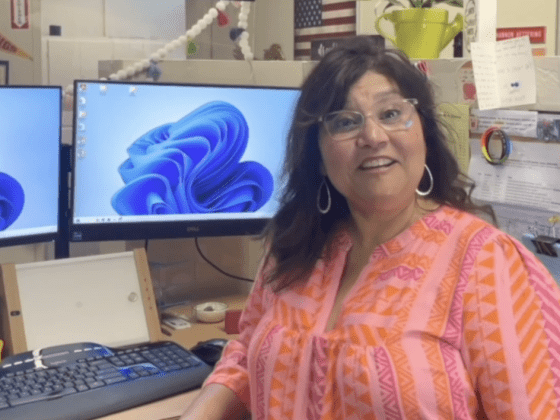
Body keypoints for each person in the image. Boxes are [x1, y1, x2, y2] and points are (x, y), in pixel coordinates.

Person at [180, 36, 560, 420]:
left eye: (392, 114)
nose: (374, 137)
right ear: (319, 155)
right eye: (345, 122)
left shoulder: (486, 263)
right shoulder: (293, 245)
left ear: (423, 132)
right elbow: (248, 355)